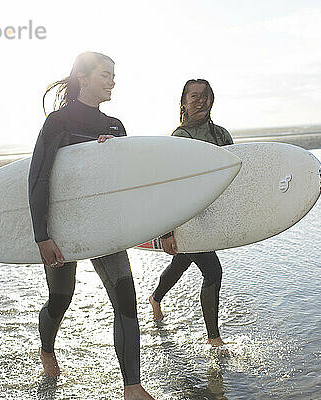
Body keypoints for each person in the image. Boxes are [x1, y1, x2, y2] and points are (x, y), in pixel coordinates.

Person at [28, 52, 154, 400]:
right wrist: (43, 236)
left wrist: (112, 154)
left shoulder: (115, 126)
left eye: (114, 75)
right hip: (66, 226)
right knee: (60, 300)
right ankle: (47, 349)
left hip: (104, 225)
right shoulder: (59, 121)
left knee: (126, 300)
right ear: (82, 77)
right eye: (105, 74)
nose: (112, 80)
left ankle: (132, 388)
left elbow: (126, 181)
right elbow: (38, 178)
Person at [148, 79, 233, 348]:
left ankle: (155, 298)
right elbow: (169, 187)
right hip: (186, 217)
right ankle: (214, 339)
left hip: (210, 215)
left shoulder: (221, 135)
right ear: (183, 102)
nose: (200, 101)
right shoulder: (180, 138)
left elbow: (234, 176)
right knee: (213, 271)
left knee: (182, 262)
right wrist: (167, 232)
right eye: (194, 96)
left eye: (205, 96)